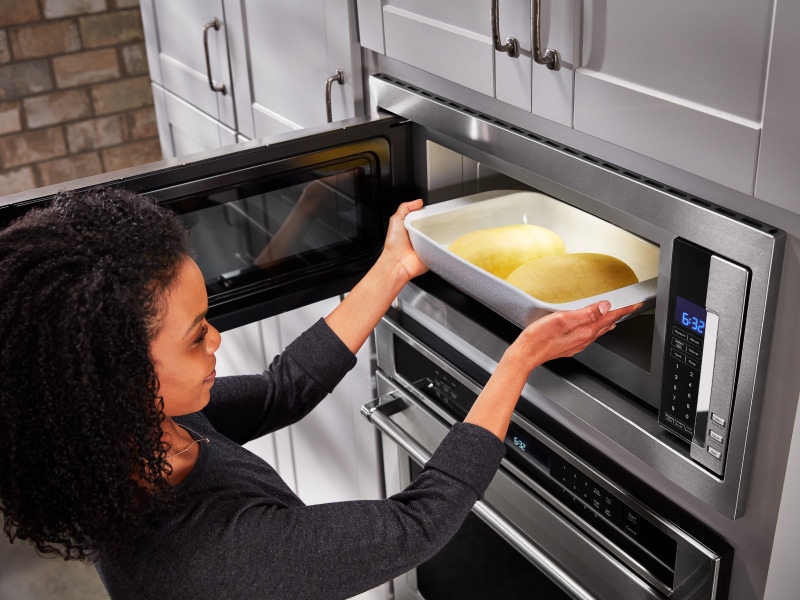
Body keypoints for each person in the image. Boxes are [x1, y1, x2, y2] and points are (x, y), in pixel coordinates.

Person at [0, 187, 637, 599]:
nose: (218, 340)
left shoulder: (134, 435)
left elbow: (285, 387)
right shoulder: (209, 558)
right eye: (196, 337)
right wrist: (520, 358)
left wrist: (394, 267)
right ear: (118, 379)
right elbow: (416, 524)